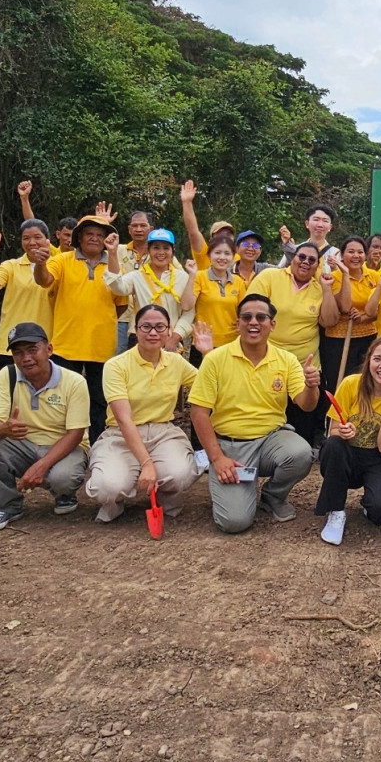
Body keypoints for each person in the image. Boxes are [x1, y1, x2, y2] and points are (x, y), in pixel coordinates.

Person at [188, 293, 320, 533]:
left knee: (300, 453)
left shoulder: (287, 360)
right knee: (234, 522)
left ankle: (273, 496)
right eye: (246, 317)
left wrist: (312, 387)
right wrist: (217, 458)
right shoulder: (215, 359)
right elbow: (198, 412)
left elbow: (306, 405)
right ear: (237, 323)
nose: (253, 322)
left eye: (261, 317)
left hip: (271, 439)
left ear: (272, 324)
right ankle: (234, 489)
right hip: (230, 447)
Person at [86, 303, 201, 523]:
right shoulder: (116, 365)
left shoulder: (176, 362)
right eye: (146, 327)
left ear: (169, 331)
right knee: (107, 486)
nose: (153, 333)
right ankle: (115, 502)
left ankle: (168, 497)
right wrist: (147, 463)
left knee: (181, 473)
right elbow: (123, 418)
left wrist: (208, 353)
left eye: (160, 327)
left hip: (163, 432)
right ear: (135, 329)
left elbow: (210, 386)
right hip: (121, 434)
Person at [0, 325, 90, 531]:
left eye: (32, 349)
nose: (26, 357)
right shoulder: (7, 376)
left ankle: (65, 495)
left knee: (63, 478)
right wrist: (5, 429)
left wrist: (40, 467)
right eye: (18, 352)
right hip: (23, 445)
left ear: (49, 349)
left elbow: (75, 433)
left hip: (61, 446)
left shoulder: (74, 381)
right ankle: (7, 505)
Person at [316, 336, 381, 545]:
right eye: (377, 358)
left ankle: (372, 500)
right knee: (333, 445)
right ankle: (336, 511)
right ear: (369, 360)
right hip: (347, 456)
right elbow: (332, 431)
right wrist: (342, 432)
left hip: (379, 458)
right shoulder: (351, 384)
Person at [248, 241, 343, 445]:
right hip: (267, 361)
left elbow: (329, 321)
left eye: (312, 260)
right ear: (293, 258)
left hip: (304, 366)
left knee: (301, 435)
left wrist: (327, 290)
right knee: (264, 422)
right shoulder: (270, 277)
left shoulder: (318, 288)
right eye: (301, 257)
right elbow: (250, 312)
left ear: (317, 265)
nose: (306, 262)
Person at [46, 206, 127, 439]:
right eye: (89, 234)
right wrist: (41, 264)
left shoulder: (113, 265)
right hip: (65, 344)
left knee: (98, 403)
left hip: (100, 346)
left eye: (100, 235)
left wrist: (100, 318)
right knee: (61, 399)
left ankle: (97, 446)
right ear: (78, 237)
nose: (95, 238)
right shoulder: (61, 261)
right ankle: (62, 446)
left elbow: (120, 303)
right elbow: (44, 280)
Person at [0, 219, 56, 368]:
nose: (32, 242)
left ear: (48, 240)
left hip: (47, 345)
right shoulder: (11, 266)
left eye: (37, 237)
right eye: (26, 238)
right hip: (12, 345)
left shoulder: (59, 265)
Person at [106, 227, 196, 349]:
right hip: (139, 340)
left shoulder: (183, 277)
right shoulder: (137, 276)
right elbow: (118, 288)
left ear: (173, 250)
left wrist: (175, 338)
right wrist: (112, 253)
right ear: (148, 250)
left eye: (166, 248)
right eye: (156, 247)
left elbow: (189, 313)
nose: (161, 252)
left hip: (169, 340)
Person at [323, 236, 378, 381]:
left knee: (364, 382)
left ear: (365, 255)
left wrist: (362, 318)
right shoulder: (333, 277)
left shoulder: (374, 277)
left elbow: (379, 310)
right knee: (338, 382)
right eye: (351, 252)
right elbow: (345, 307)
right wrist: (346, 274)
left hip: (369, 337)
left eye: (360, 252)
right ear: (341, 255)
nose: (356, 256)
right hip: (338, 340)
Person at [191, 233, 248, 351]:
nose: (222, 257)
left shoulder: (239, 281)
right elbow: (186, 305)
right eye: (217, 253)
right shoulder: (199, 277)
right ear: (209, 255)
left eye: (227, 253)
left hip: (232, 343)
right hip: (203, 341)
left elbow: (243, 312)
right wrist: (192, 275)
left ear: (233, 257)